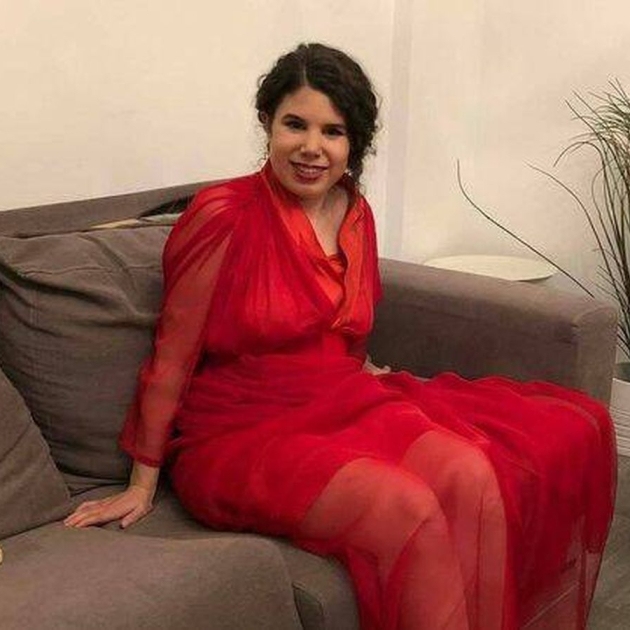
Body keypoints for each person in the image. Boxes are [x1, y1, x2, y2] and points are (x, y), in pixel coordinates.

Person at [65, 43, 616, 630]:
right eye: (295, 124)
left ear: (354, 143)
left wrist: (374, 378)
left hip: (337, 399)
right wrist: (142, 482)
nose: (312, 147)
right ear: (267, 123)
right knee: (407, 507)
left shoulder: (355, 211)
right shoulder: (223, 214)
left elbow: (345, 334)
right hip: (237, 431)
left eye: (333, 131)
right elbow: (172, 354)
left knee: (473, 472)